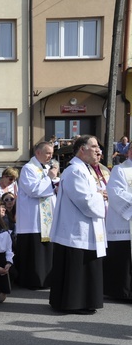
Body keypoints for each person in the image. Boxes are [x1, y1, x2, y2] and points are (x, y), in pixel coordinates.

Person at [49, 135, 107, 314]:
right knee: (77, 268)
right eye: (94, 146)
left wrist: (98, 193)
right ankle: (74, 303)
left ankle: (84, 301)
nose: (98, 150)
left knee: (85, 267)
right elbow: (85, 201)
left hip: (85, 228)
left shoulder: (85, 170)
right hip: (76, 230)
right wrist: (101, 196)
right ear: (82, 149)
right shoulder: (75, 171)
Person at [15, 142, 59, 289]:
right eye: (48, 153)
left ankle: (47, 280)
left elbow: (52, 188)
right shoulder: (29, 168)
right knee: (34, 254)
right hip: (32, 221)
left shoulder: (45, 168)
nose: (50, 156)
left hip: (47, 219)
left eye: (52, 154)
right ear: (38, 153)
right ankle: (32, 281)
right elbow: (34, 190)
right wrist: (50, 179)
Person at [104, 144, 132, 300]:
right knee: (124, 259)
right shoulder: (120, 170)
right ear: (129, 152)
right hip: (124, 222)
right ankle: (121, 292)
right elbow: (115, 193)